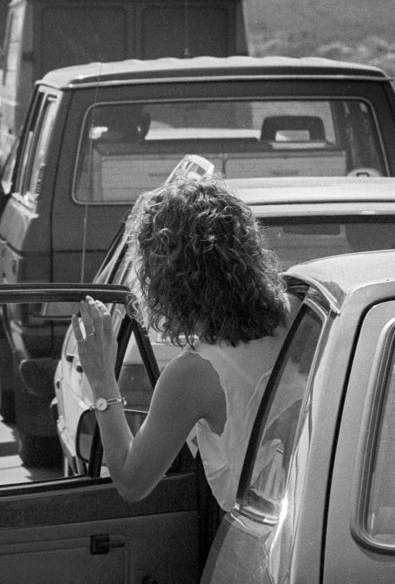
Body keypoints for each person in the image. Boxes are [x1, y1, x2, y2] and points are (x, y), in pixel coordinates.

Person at [73, 175, 299, 511]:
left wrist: (103, 380)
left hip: (266, 545)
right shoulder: (298, 311)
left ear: (165, 280)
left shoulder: (193, 374)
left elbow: (131, 483)